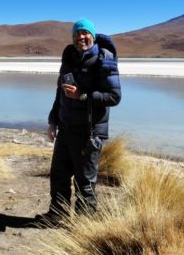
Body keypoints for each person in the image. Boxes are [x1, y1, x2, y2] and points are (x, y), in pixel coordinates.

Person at [39, 18, 121, 223]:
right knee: (59, 176)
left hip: (88, 132)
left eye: (85, 33)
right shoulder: (69, 59)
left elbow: (114, 97)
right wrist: (53, 122)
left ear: (92, 36)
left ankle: (85, 224)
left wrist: (82, 95)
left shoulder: (104, 60)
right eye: (77, 34)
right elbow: (60, 94)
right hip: (66, 129)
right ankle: (57, 216)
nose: (80, 37)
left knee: (85, 181)